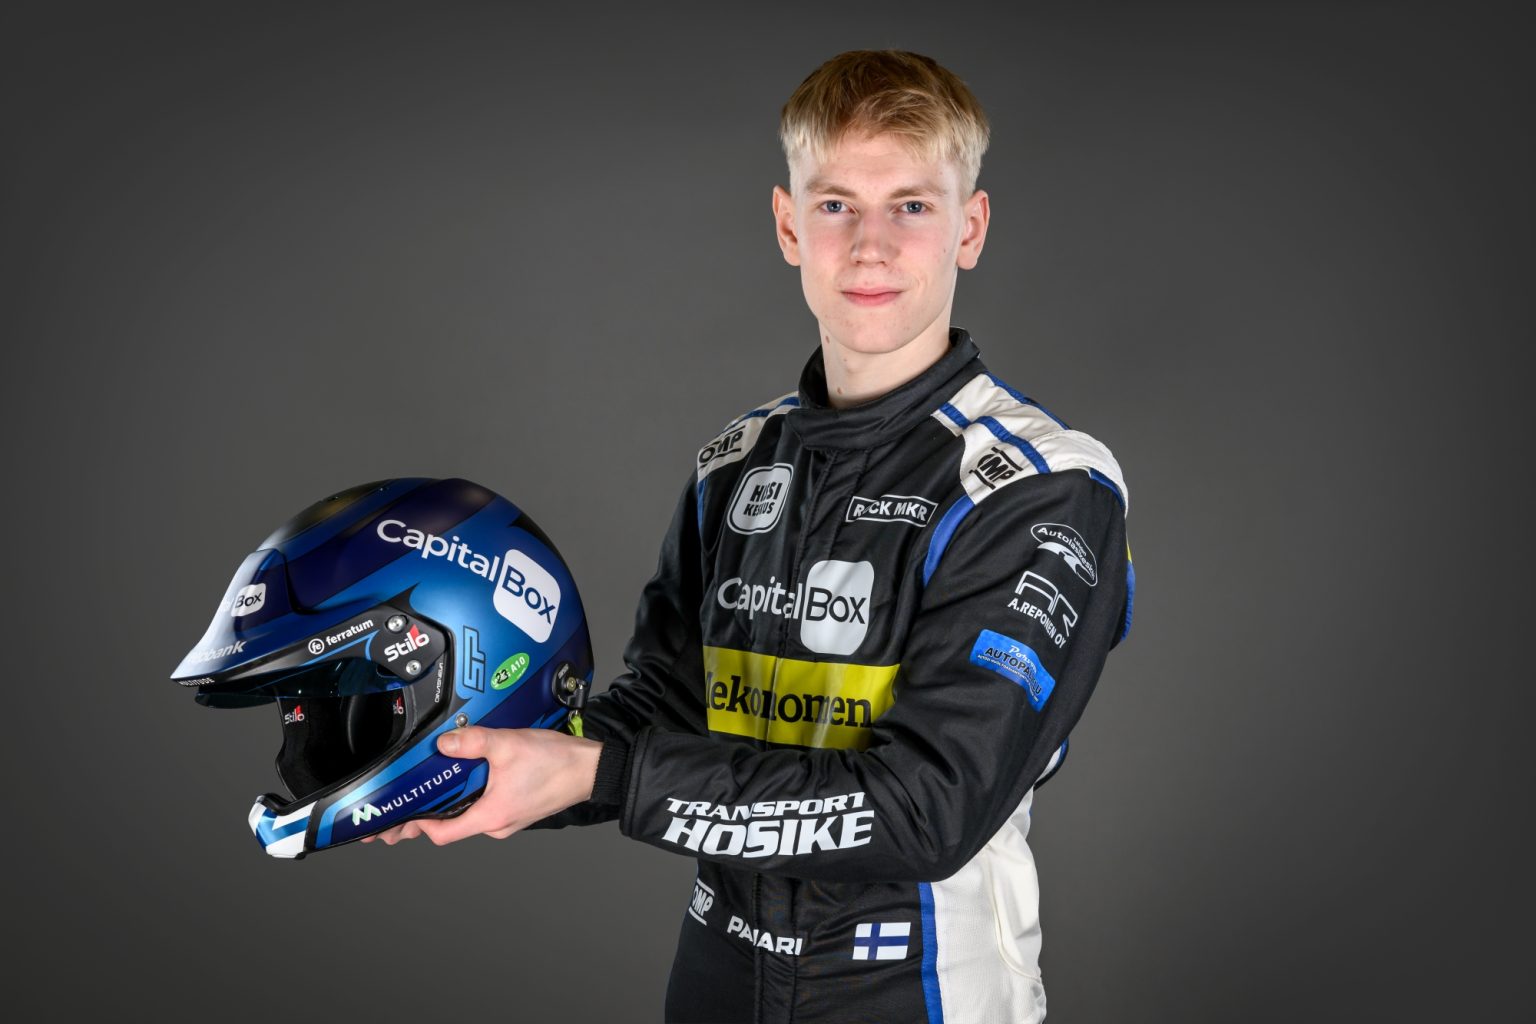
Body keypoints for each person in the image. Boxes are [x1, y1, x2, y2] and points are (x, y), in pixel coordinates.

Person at [368, 49, 1134, 1023]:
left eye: (911, 205)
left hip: (920, 992)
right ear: (787, 225)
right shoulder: (734, 465)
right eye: (835, 204)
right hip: (717, 978)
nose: (869, 245)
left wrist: (604, 774)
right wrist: (466, 761)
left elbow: (928, 807)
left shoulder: (1044, 486)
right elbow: (662, 711)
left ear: (969, 228)